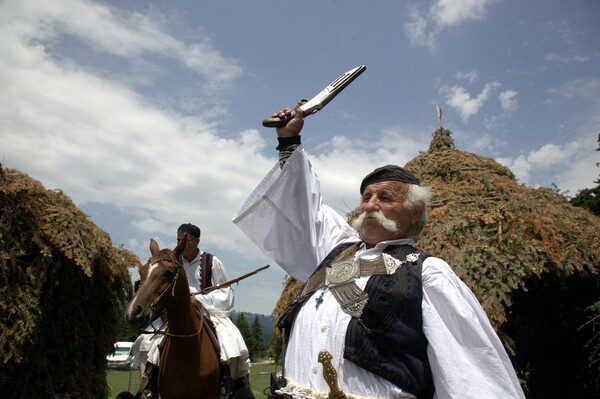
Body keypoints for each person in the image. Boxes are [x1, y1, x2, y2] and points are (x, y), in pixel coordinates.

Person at [232, 102, 525, 398]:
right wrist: (289, 142)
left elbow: (472, 374)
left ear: (415, 211)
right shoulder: (333, 249)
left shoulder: (428, 273)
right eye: (367, 196)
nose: (371, 205)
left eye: (385, 197)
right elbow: (302, 207)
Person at [137, 223, 254, 399]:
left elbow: (225, 294)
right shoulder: (173, 263)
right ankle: (149, 385)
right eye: (179, 240)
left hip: (207, 311)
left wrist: (199, 299)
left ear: (197, 241)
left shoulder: (212, 262)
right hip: (175, 312)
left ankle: (232, 384)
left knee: (232, 338)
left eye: (186, 240)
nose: (181, 244)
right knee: (147, 341)